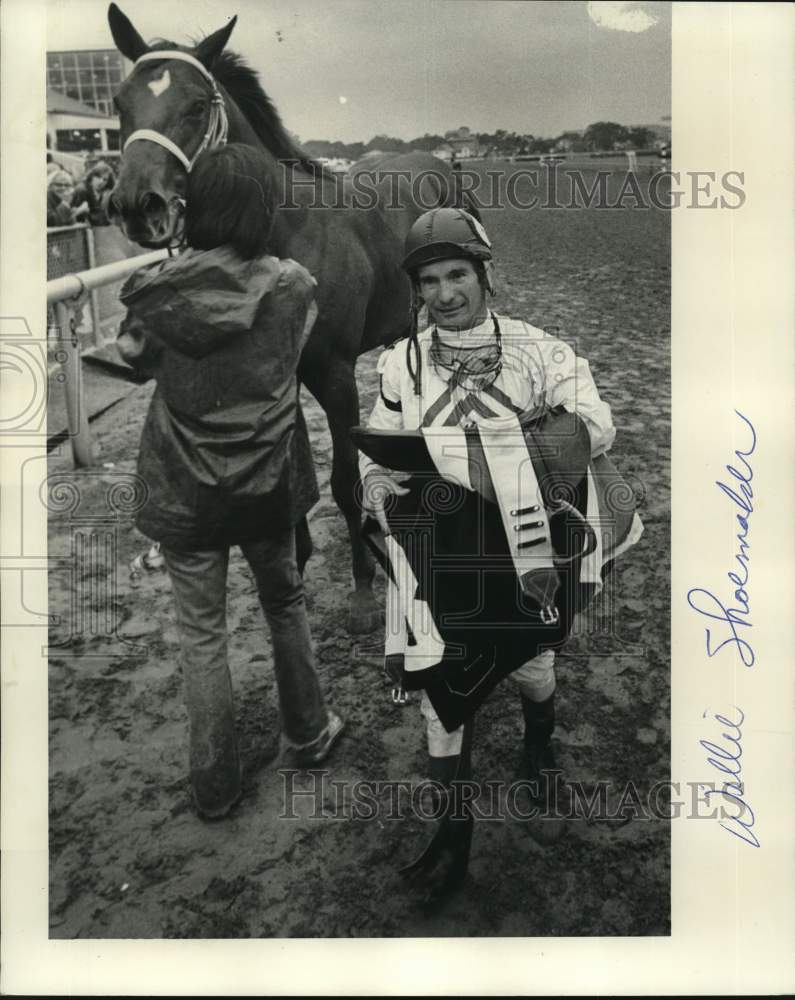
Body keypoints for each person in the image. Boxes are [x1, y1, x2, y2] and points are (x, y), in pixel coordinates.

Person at [359, 207, 642, 847]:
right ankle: (452, 819)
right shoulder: (402, 364)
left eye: (456, 274)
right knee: (439, 675)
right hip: (439, 547)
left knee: (533, 662)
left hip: (523, 540)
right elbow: (377, 443)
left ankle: (538, 749)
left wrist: (517, 453)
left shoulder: (538, 349)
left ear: (487, 275)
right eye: (428, 282)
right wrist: (376, 482)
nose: (444, 295)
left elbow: (599, 423)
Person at [117, 143, 344, 819]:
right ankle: (307, 734)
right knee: (285, 605)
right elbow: (287, 352)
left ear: (190, 208)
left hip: (183, 487)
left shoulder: (155, 296)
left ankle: (214, 785)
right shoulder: (294, 283)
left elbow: (138, 361)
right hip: (269, 479)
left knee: (201, 633)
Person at [72, 162, 115, 226]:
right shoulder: (82, 190)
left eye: (105, 179)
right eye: (98, 177)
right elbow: (80, 217)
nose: (101, 181)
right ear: (92, 176)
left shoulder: (100, 192)